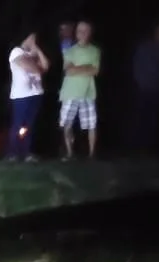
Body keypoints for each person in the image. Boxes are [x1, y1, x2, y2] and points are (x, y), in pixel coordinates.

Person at [59, 20, 101, 160]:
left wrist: (78, 68)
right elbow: (68, 70)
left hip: (88, 92)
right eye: (79, 31)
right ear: (76, 33)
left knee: (91, 124)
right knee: (67, 124)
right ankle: (70, 153)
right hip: (70, 92)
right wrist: (86, 67)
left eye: (85, 31)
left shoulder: (95, 51)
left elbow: (95, 70)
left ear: (90, 33)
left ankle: (91, 154)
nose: (82, 33)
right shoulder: (70, 50)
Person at [129, 22, 159, 153]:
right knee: (141, 119)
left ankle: (147, 149)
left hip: (157, 88)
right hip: (144, 88)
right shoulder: (146, 46)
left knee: (152, 120)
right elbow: (138, 67)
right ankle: (136, 148)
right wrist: (141, 83)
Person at [6, 32, 49, 161]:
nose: (33, 40)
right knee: (19, 125)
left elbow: (45, 66)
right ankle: (13, 152)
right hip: (21, 96)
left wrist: (38, 50)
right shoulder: (16, 52)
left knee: (29, 125)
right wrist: (37, 66)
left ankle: (27, 152)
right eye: (31, 37)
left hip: (35, 94)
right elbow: (34, 69)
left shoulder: (32, 54)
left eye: (35, 38)